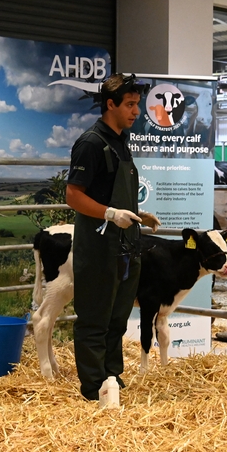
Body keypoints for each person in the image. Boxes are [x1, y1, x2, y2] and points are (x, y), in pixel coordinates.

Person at [66, 73, 161, 400]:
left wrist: (136, 214)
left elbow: (112, 191)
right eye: (131, 105)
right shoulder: (91, 143)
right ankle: (94, 390)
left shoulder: (121, 142)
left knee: (117, 320)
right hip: (99, 249)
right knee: (94, 320)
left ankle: (112, 380)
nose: (137, 112)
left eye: (138, 104)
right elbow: (73, 195)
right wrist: (109, 213)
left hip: (126, 246)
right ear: (111, 104)